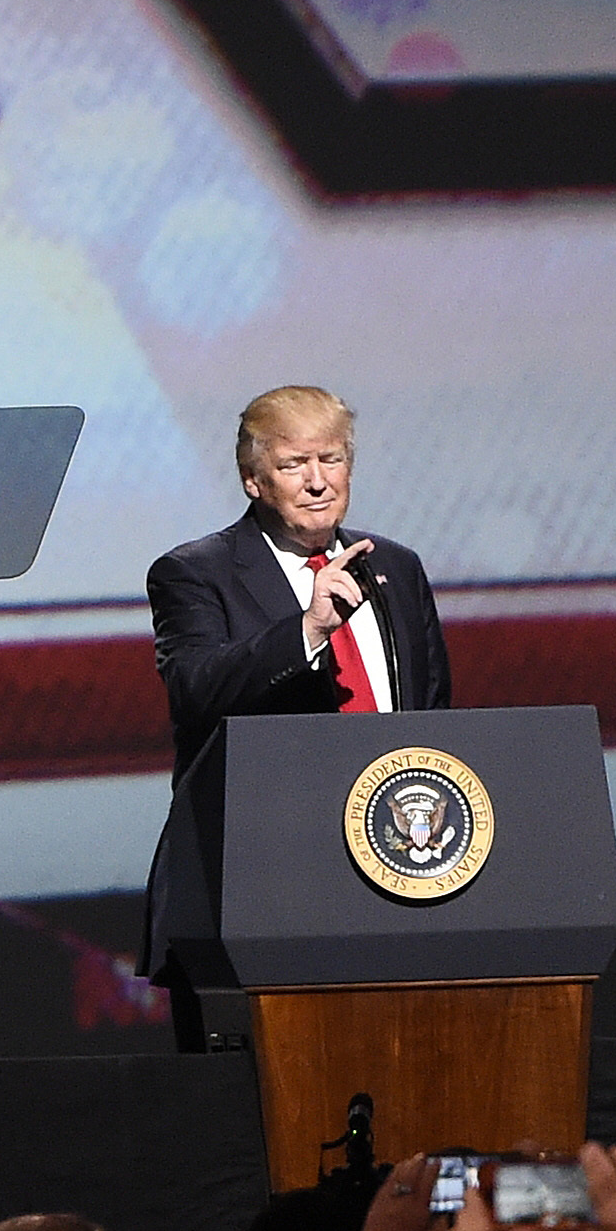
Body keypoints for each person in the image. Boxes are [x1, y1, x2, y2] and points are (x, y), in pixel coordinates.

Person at [140, 383, 453, 1022]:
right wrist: (307, 631)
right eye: (293, 465)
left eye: (331, 460)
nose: (318, 481)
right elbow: (195, 689)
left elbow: (433, 715)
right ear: (254, 480)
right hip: (259, 886)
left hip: (397, 877)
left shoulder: (397, 567)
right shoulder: (195, 573)